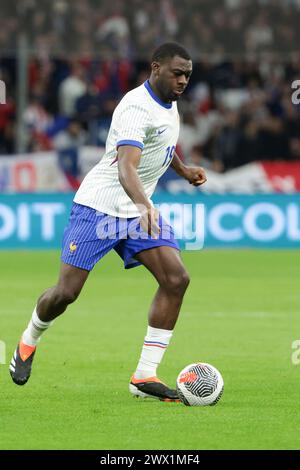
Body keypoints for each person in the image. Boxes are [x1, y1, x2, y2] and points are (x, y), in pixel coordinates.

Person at [10, 43, 207, 401]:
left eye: (188, 75)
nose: (183, 81)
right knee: (65, 293)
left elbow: (160, 144)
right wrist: (146, 206)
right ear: (155, 68)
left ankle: (144, 377)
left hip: (136, 210)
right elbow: (126, 166)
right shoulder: (134, 107)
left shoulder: (169, 103)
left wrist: (183, 169)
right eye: (177, 73)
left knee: (176, 279)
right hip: (99, 207)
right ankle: (29, 340)